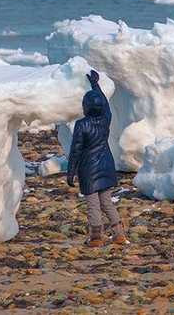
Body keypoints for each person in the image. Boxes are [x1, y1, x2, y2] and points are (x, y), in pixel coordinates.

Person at [66, 69, 127, 247]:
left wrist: (71, 173)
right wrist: (96, 84)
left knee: (93, 203)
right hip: (106, 164)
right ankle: (119, 234)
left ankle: (96, 237)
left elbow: (76, 149)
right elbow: (106, 105)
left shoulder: (81, 124)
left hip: (88, 168)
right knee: (106, 201)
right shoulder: (105, 119)